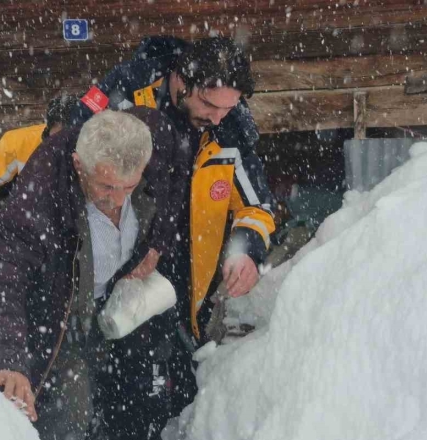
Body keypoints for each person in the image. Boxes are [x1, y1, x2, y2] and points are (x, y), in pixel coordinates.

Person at [0, 108, 188, 440]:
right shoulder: (42, 190)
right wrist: (9, 359)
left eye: (128, 187)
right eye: (106, 186)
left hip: (118, 306)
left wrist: (157, 243)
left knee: (139, 401)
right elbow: (2, 273)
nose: (117, 200)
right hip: (60, 316)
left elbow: (176, 177)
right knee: (69, 414)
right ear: (78, 164)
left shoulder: (154, 140)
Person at [69, 36, 276, 345]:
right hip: (118, 266)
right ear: (180, 80)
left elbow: (256, 207)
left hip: (186, 277)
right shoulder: (125, 93)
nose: (217, 118)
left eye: (228, 107)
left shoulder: (230, 129)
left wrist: (246, 252)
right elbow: (72, 155)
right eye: (208, 104)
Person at [0, 94, 77, 245]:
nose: (59, 147)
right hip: (23, 236)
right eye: (55, 139)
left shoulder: (100, 149)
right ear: (47, 129)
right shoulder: (17, 144)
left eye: (68, 141)